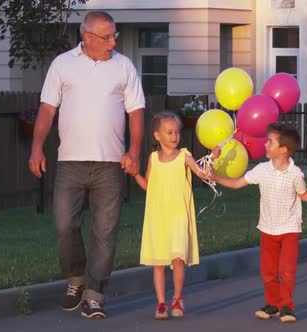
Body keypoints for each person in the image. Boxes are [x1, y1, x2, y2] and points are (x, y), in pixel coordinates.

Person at [27, 11, 145, 319]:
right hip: (70, 163)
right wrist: (37, 147)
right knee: (65, 225)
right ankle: (76, 277)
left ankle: (95, 294)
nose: (112, 42)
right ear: (88, 37)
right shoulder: (63, 65)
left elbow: (136, 112)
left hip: (110, 164)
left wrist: (133, 151)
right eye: (107, 37)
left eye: (114, 35)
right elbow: (47, 109)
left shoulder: (124, 66)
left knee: (105, 231)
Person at [211, 123, 307, 323]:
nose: (265, 144)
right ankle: (273, 304)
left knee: (286, 270)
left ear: (284, 150)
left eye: (270, 141)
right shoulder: (262, 170)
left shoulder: (295, 174)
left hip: (289, 229)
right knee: (268, 271)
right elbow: (236, 183)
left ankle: (287, 306)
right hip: (268, 228)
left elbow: (301, 194)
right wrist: (214, 176)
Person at [133, 111, 215, 320]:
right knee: (159, 262)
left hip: (178, 215)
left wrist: (213, 158)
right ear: (157, 136)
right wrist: (134, 175)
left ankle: (177, 298)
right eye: (169, 132)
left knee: (178, 258)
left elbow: (203, 174)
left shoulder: (184, 156)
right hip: (158, 216)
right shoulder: (153, 158)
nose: (174, 136)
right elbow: (148, 186)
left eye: (177, 132)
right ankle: (161, 303)